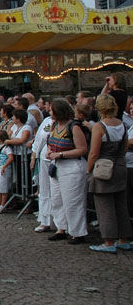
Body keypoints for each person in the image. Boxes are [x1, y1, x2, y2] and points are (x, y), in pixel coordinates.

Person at [86, 94, 132, 253]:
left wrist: (88, 170)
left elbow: (94, 153)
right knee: (120, 203)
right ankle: (124, 237)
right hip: (120, 165)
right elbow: (125, 147)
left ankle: (109, 241)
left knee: (104, 205)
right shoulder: (122, 124)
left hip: (104, 166)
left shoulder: (100, 126)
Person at [45, 98, 89, 244]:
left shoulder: (74, 127)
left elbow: (82, 149)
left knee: (72, 200)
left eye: (52, 110)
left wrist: (62, 154)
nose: (49, 112)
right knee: (57, 199)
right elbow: (50, 142)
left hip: (72, 166)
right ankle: (61, 228)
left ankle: (78, 232)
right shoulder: (55, 125)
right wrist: (50, 151)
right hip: (57, 165)